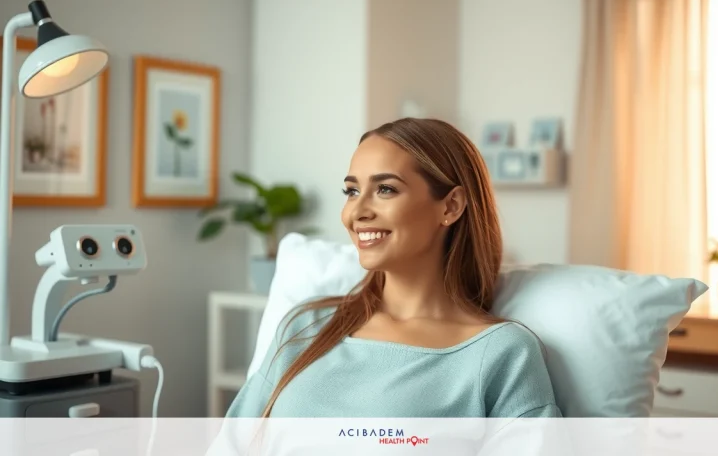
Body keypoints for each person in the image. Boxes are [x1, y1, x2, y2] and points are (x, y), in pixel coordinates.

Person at [226, 118, 561, 419]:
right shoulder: (305, 326)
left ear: (451, 206)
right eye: (352, 191)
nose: (357, 211)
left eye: (385, 189)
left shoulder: (501, 354)